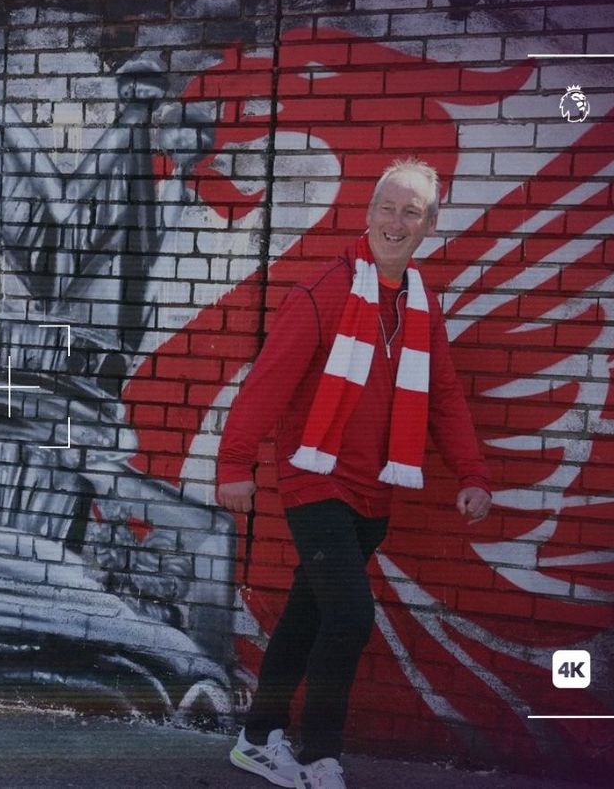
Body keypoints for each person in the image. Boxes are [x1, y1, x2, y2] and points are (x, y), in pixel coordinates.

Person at [216, 158, 492, 789]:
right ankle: (320, 758)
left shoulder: (421, 303)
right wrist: (233, 462)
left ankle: (256, 740)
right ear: (368, 214)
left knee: (308, 615)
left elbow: (444, 395)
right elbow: (266, 383)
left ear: (429, 225)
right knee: (350, 617)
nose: (397, 222)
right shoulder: (325, 292)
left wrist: (472, 472)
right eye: (387, 207)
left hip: (375, 490)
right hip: (315, 480)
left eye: (412, 212)